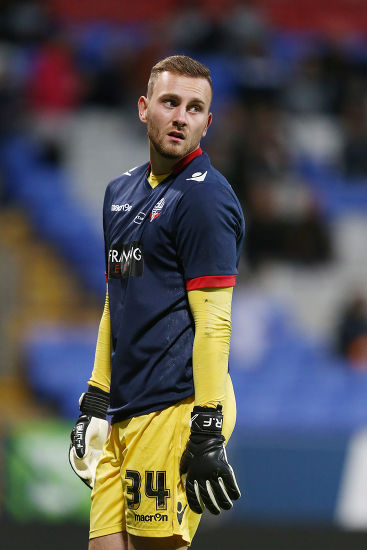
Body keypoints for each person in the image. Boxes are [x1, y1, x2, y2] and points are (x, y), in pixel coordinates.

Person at [69, 55, 245, 550]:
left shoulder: (205, 200)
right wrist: (95, 400)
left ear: (207, 124)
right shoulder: (118, 193)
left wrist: (207, 427)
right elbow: (116, 303)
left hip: (175, 407)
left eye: (194, 108)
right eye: (170, 102)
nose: (180, 116)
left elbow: (213, 323)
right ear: (144, 108)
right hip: (125, 410)